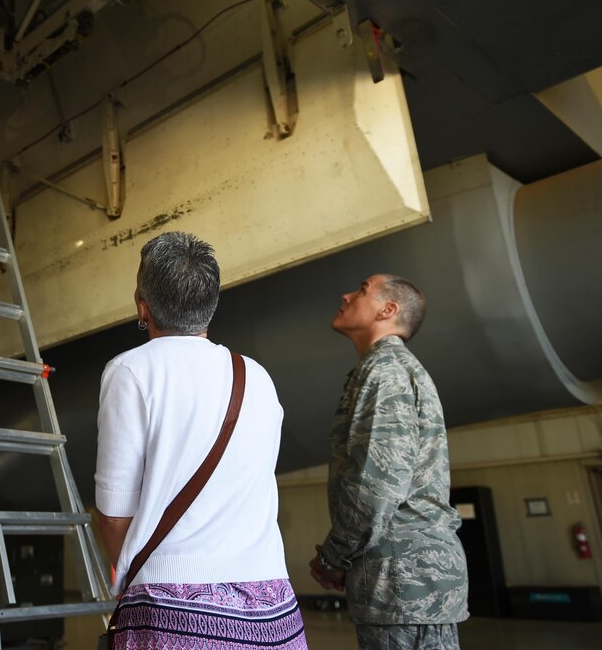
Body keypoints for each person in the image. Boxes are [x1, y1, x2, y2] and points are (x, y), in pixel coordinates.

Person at [95, 231, 308, 649]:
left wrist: (130, 574)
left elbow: (114, 515)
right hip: (273, 609)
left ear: (143, 305)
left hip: (173, 609)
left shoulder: (131, 371)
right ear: (209, 305)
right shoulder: (257, 376)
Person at [309, 274, 469, 649]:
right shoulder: (382, 370)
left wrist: (334, 558)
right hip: (404, 583)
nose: (346, 294)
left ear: (388, 309)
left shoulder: (386, 372)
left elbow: (375, 487)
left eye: (362, 289)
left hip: (404, 584)